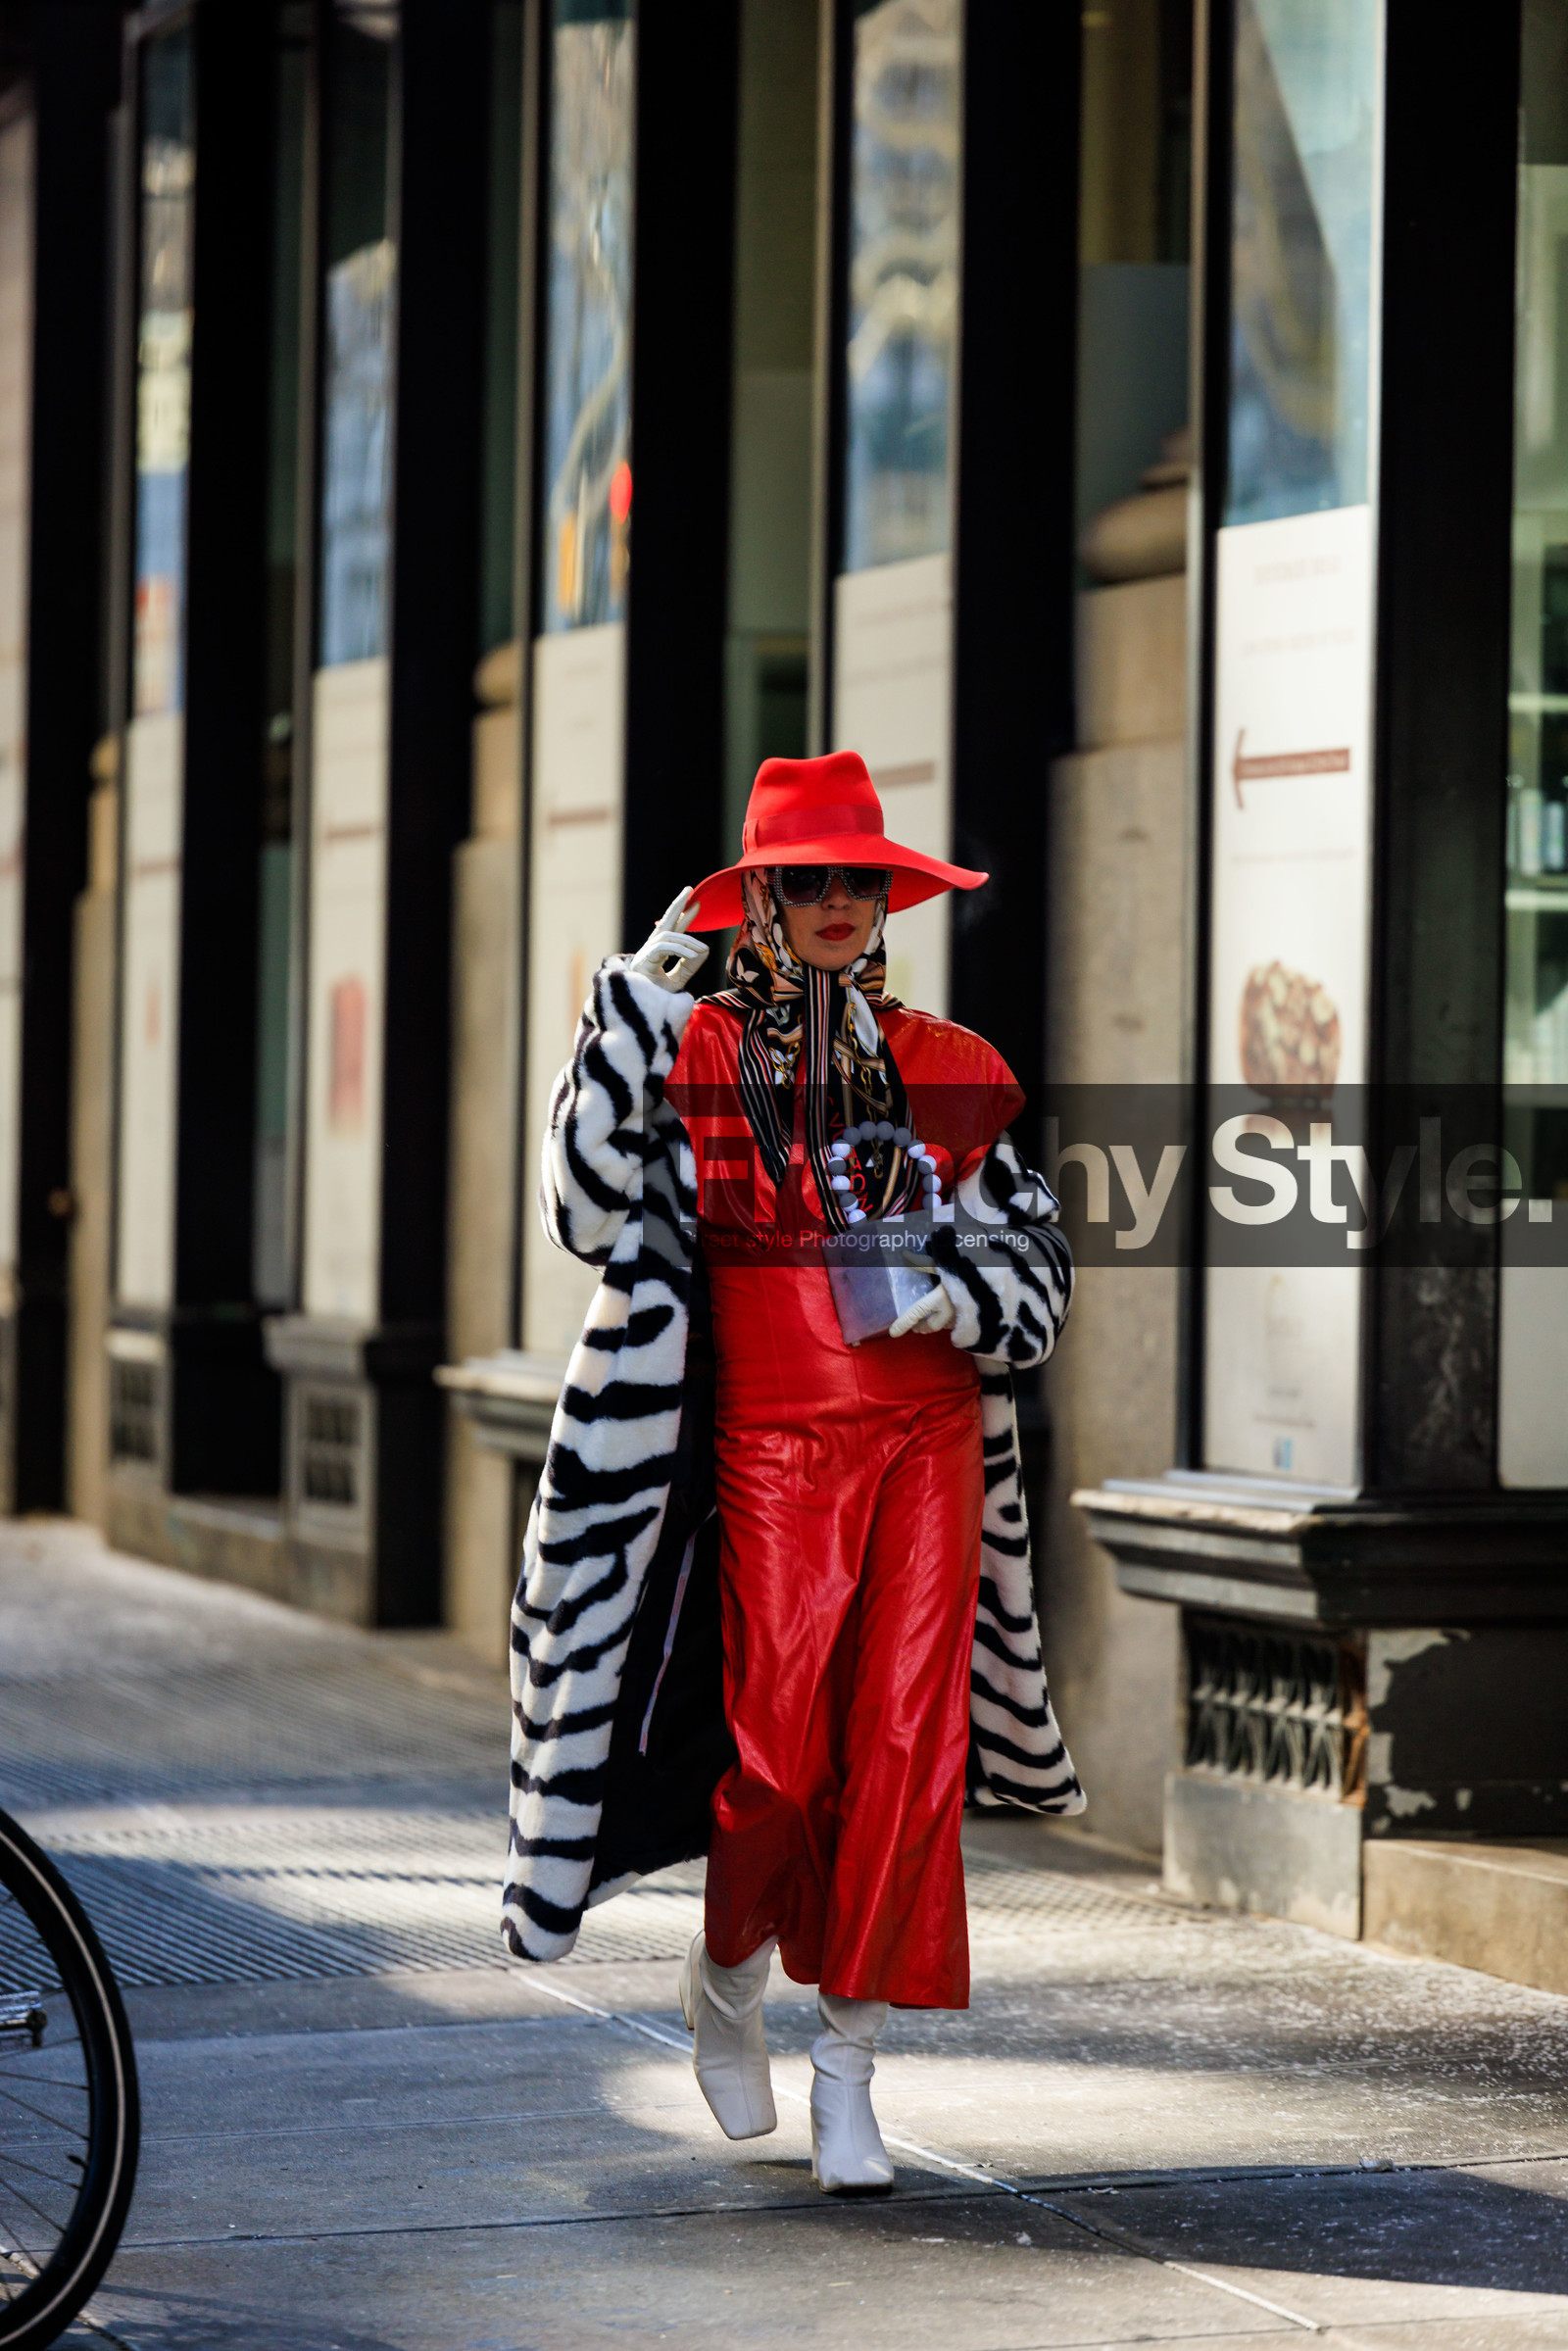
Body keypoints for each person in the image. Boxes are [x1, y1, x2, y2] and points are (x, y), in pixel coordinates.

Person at [504, 752, 1083, 2197]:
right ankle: (723, 1973)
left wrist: (963, 1291)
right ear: (757, 898)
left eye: (859, 881)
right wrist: (635, 999)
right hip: (767, 1439)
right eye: (806, 878)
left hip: (927, 1434)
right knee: (774, 1758)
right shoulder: (691, 1048)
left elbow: (1038, 1267)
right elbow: (581, 1206)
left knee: (906, 1747)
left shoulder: (947, 1064)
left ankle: (850, 2064)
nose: (838, 901)